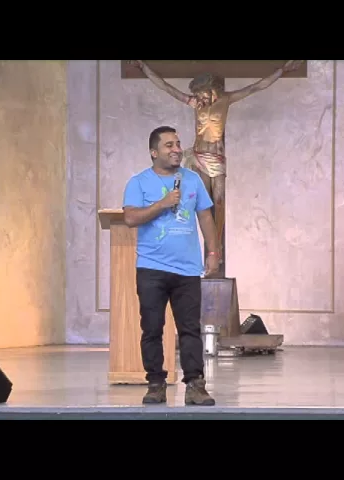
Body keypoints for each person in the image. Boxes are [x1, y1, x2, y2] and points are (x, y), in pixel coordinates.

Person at [130, 60, 304, 277]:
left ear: (212, 90)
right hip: (200, 157)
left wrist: (282, 71)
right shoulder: (195, 104)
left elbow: (256, 87)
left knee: (219, 201)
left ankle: (216, 248)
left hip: (218, 158)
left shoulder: (226, 100)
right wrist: (143, 67)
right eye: (198, 95)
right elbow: (166, 87)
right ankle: (207, 250)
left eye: (203, 94)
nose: (200, 98)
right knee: (204, 205)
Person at [122, 125, 220, 406]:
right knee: (152, 328)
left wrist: (213, 252)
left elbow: (205, 217)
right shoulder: (138, 182)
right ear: (154, 152)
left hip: (187, 269)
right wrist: (162, 204)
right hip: (151, 268)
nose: (177, 149)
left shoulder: (193, 180)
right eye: (169, 145)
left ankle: (195, 385)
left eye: (177, 144)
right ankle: (155, 383)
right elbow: (130, 218)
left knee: (190, 329)